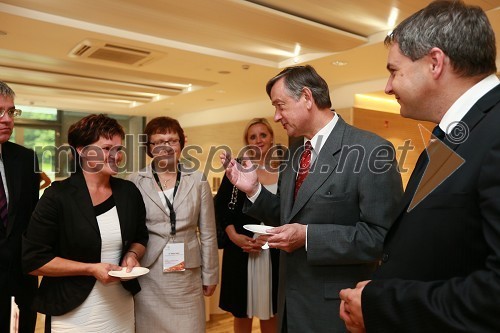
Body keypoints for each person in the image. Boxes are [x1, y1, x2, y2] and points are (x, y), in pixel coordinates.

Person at [339, 1, 500, 332]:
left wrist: (381, 305)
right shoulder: (453, 134)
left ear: (435, 63)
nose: (387, 87)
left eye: (394, 71)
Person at [221, 65, 403, 333]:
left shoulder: (370, 151)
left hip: (333, 310)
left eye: (280, 106)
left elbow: (380, 239)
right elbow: (288, 217)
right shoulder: (295, 152)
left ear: (307, 97)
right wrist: (254, 190)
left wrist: (307, 237)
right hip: (288, 305)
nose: (276, 116)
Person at [22, 114, 149, 332]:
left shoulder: (128, 192)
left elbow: (140, 237)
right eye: (107, 148)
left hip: (120, 307)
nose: (116, 156)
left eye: (119, 149)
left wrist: (132, 255)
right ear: (81, 150)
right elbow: (34, 261)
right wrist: (90, 269)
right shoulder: (57, 197)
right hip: (72, 310)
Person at [128, 116, 218, 333]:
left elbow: (207, 232)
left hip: (186, 276)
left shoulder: (198, 180)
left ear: (181, 144)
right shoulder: (134, 181)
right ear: (149, 147)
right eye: (158, 142)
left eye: (172, 141)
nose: (166, 147)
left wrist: (211, 274)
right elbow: (130, 231)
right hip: (149, 274)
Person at [216, 118, 280, 333]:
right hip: (241, 249)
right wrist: (234, 236)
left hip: (276, 252)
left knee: (271, 309)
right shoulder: (237, 170)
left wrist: (272, 237)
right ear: (246, 142)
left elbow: (290, 213)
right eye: (253, 136)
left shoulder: (287, 172)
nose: (259, 140)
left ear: (271, 138)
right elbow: (222, 209)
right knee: (241, 310)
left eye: (263, 135)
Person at [0, 81, 39, 333]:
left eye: (11, 111)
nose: (7, 119)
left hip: (20, 278)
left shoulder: (25, 159)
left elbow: (30, 219)